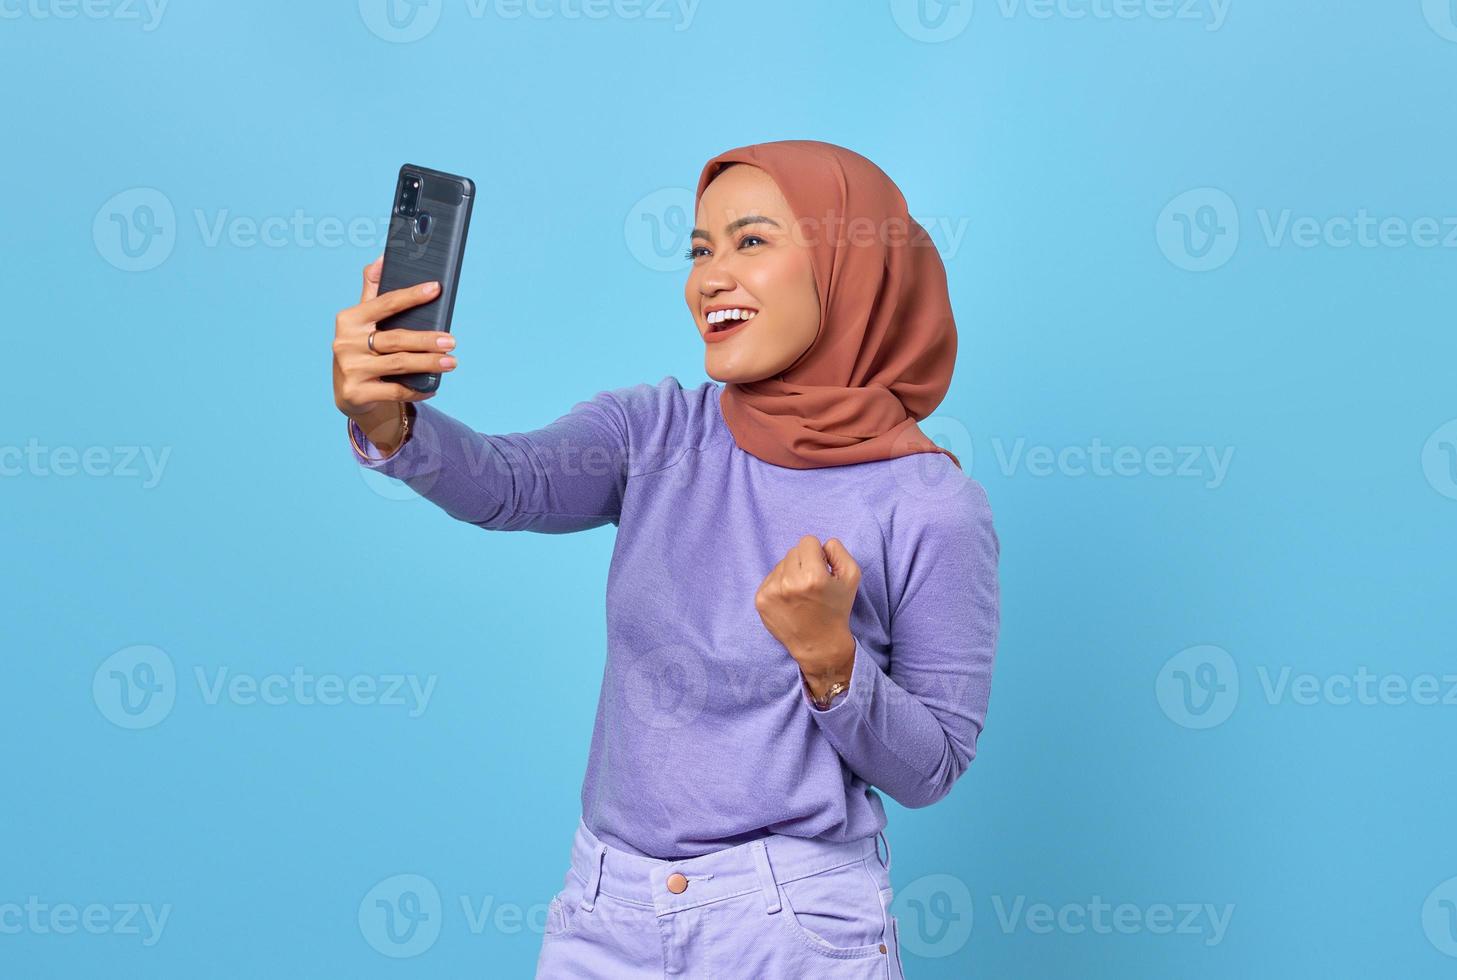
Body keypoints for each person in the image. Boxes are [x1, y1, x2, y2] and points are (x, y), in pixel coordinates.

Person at [331, 139, 1000, 978]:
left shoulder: (931, 506)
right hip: (606, 909)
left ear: (848, 266)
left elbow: (931, 767)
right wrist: (390, 423)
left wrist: (831, 660)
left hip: (789, 925)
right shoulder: (654, 432)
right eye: (699, 250)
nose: (710, 278)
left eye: (751, 242)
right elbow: (507, 483)